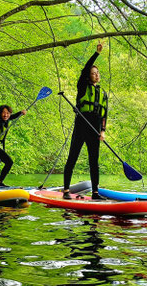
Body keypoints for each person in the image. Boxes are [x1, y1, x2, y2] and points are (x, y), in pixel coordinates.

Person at [63, 42, 108, 200]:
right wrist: (97, 54)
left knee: (94, 161)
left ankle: (95, 193)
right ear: (89, 75)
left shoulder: (102, 93)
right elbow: (85, 69)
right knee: (73, 157)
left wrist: (103, 131)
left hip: (95, 127)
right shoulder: (82, 86)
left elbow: (104, 115)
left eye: (97, 73)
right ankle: (66, 190)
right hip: (82, 123)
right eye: (93, 72)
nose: (96, 75)